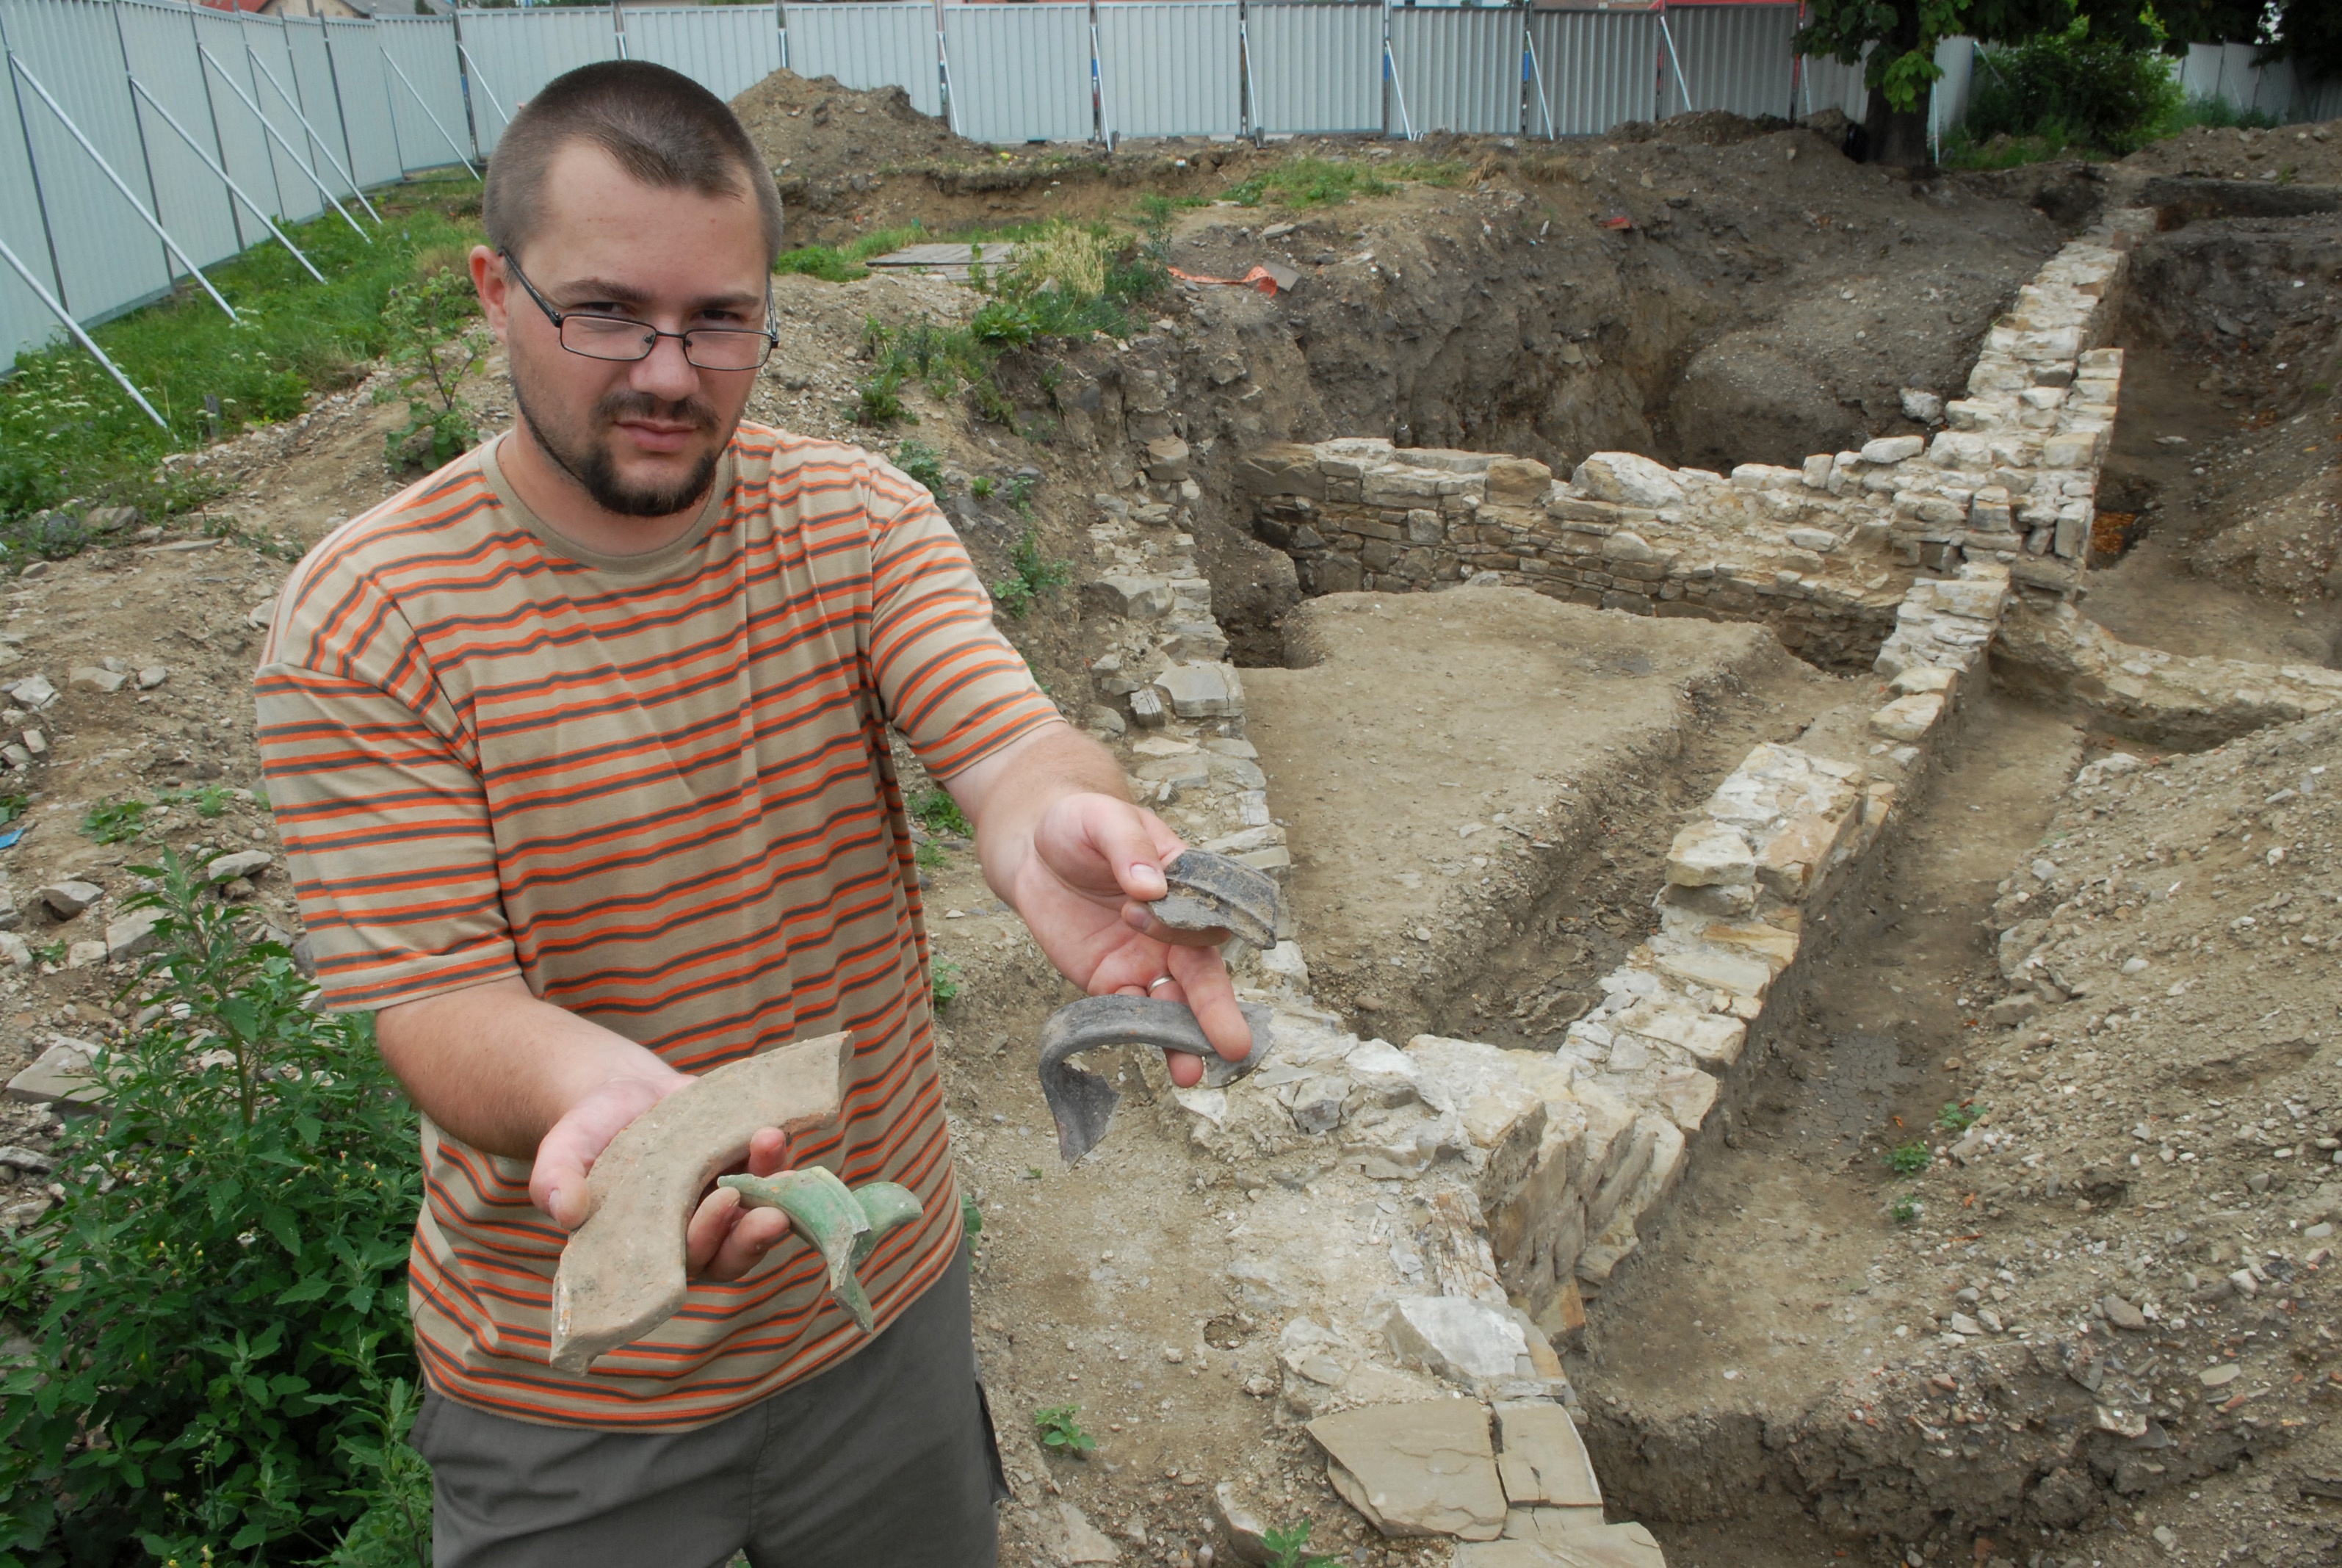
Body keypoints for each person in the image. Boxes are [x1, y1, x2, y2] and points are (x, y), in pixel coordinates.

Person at [253, 59, 1251, 1567]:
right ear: (491, 289)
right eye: (606, 312)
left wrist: (1062, 823)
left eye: (720, 320)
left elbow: (1007, 746)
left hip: (880, 1314)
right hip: (572, 1376)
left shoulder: (852, 519)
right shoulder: (370, 615)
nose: (667, 372)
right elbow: (434, 995)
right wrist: (601, 1095)